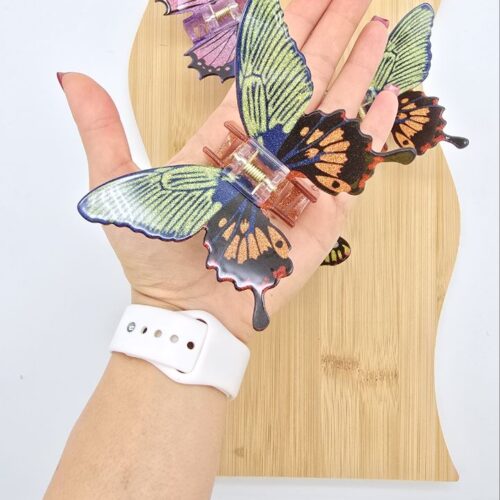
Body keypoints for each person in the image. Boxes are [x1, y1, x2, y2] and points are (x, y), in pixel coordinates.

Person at [45, 1, 400, 498]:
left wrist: (171, 309)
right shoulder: (243, 141)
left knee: (334, 149)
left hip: (267, 189)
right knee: (332, 148)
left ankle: (253, 284)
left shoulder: (241, 142)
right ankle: (250, 290)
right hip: (277, 185)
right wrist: (177, 304)